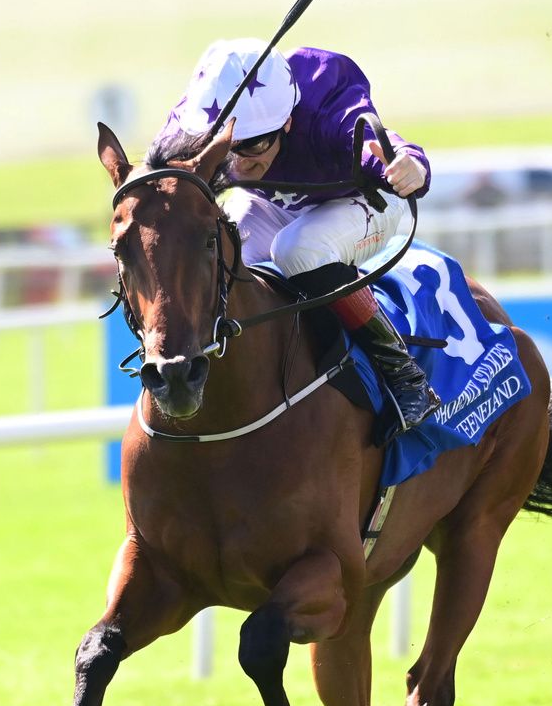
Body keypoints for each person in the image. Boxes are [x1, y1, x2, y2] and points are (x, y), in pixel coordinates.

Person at [151, 38, 438, 435]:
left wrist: (410, 165)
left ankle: (404, 375)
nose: (238, 161)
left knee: (297, 249)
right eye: (226, 147)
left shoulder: (322, 101)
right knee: (222, 255)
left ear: (287, 121)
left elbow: (382, 144)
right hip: (273, 206)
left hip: (363, 201)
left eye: (253, 145)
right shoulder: (196, 116)